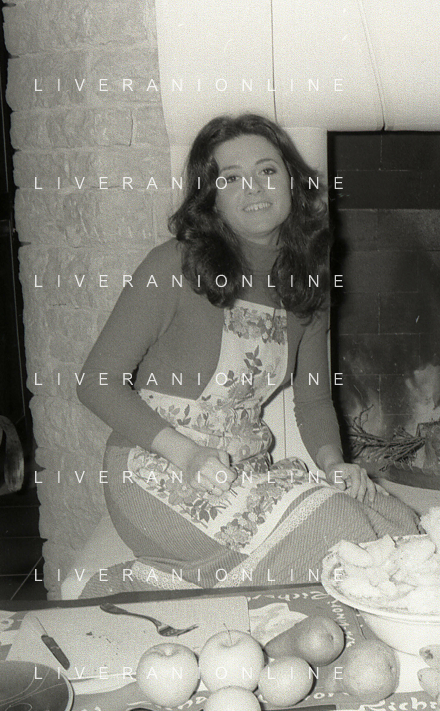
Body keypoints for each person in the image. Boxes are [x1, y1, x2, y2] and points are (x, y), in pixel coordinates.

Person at [76, 113, 417, 596]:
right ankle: (155, 581)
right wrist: (188, 454)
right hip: (158, 470)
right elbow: (95, 382)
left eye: (267, 171)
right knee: (339, 527)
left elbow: (313, 400)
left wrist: (334, 465)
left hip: (244, 470)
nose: (253, 188)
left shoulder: (308, 280)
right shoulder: (172, 265)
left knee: (396, 520)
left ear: (292, 181)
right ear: (211, 198)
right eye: (231, 178)